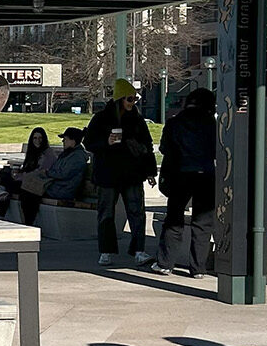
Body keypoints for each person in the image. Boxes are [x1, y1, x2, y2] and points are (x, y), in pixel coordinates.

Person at [84, 78, 157, 267]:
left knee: (137, 212)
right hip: (108, 173)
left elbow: (147, 146)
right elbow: (89, 143)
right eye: (129, 99)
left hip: (131, 173)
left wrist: (149, 171)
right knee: (106, 213)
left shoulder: (137, 120)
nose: (133, 103)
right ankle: (106, 250)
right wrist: (106, 143)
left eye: (134, 99)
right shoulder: (101, 118)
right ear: (120, 99)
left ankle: (139, 250)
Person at [149, 88, 217, 277]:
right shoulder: (211, 123)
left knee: (174, 219)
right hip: (205, 174)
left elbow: (164, 148)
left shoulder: (174, 122)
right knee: (203, 223)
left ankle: (165, 263)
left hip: (179, 174)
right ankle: (198, 268)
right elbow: (216, 149)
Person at [0, 127, 53, 222]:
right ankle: (1, 192)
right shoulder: (32, 152)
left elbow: (40, 172)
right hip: (26, 178)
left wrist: (20, 176)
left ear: (44, 139)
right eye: (35, 138)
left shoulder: (47, 154)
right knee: (4, 173)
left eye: (40, 138)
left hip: (35, 183)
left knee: (8, 187)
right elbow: (27, 168)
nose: (37, 141)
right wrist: (18, 173)